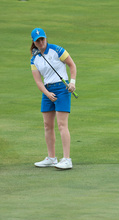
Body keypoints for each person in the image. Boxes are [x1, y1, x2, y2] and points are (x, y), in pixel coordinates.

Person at [30, 28, 77, 170]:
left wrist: (72, 82)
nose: (41, 42)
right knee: (47, 125)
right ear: (34, 42)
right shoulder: (34, 59)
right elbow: (38, 81)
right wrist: (47, 93)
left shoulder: (57, 50)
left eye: (42, 39)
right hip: (47, 91)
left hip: (62, 89)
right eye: (38, 40)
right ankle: (51, 158)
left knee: (62, 124)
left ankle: (67, 159)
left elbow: (72, 65)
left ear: (46, 38)